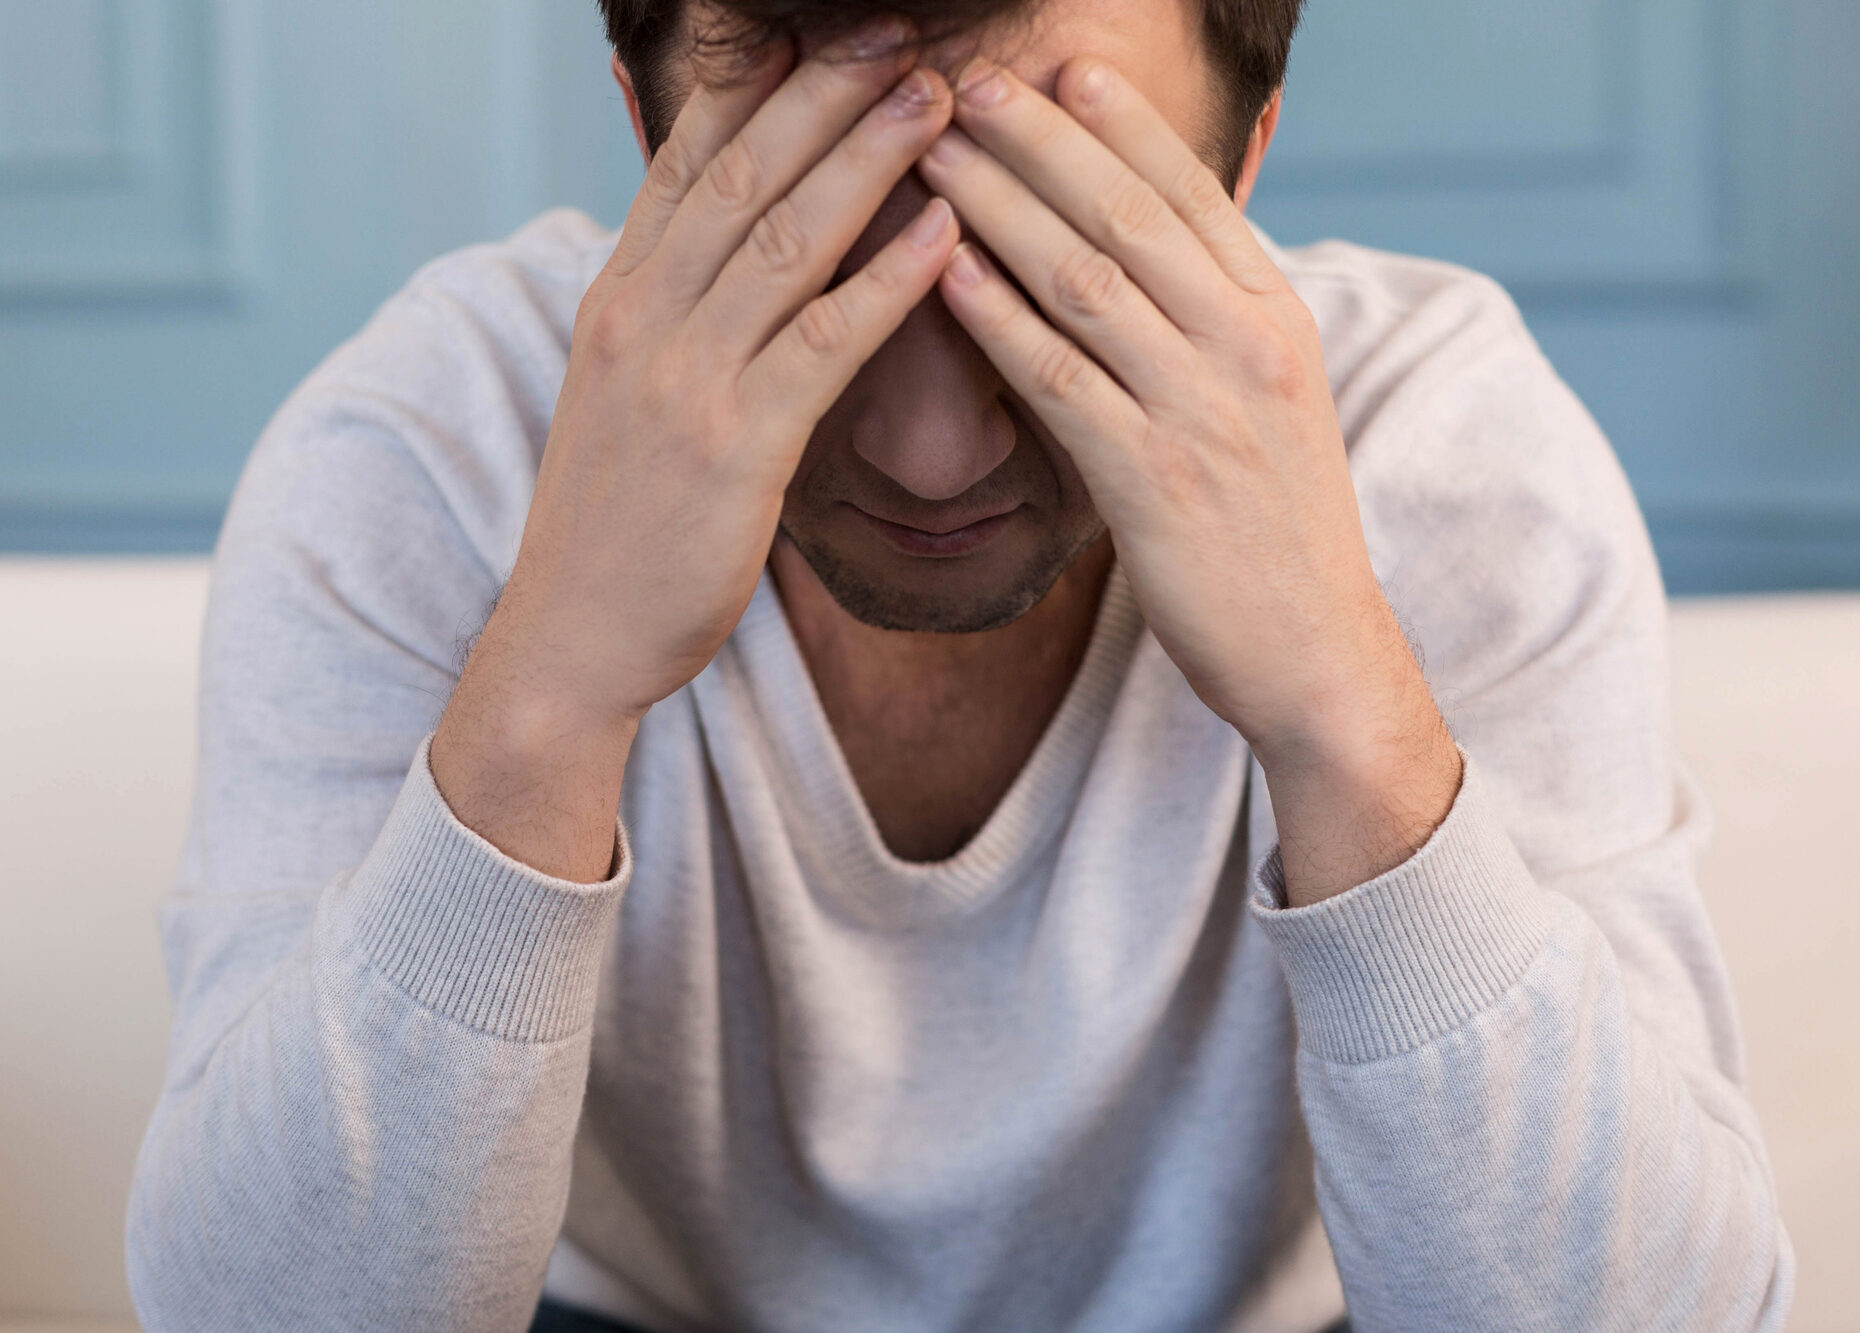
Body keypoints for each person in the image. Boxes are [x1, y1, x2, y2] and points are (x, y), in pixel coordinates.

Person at [125, 0, 1792, 1326]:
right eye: (830, 243)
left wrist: (1345, 711)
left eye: (1062, 255)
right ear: (650, 143)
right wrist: (552, 683)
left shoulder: (1445, 452)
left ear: (1247, 165)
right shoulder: (425, 446)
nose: (936, 457)